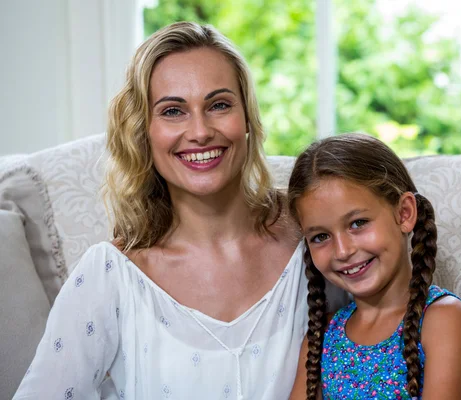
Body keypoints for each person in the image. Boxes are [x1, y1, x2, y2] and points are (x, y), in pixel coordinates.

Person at [13, 22, 345, 400]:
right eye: (173, 111)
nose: (200, 131)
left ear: (248, 119)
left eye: (219, 105)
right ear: (144, 132)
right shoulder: (110, 276)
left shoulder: (318, 237)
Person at [287, 133, 461, 400]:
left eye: (358, 223)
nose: (343, 251)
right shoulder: (321, 339)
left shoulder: (444, 320)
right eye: (321, 237)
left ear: (404, 213)